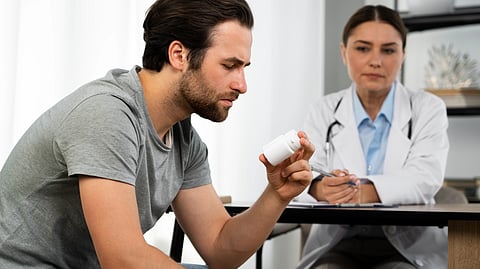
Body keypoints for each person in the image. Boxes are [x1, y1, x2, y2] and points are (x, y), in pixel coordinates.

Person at [0, 0, 315, 268]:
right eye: (230, 65)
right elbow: (123, 259)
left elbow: (220, 248)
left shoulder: (184, 140)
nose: (242, 85)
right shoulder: (108, 115)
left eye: (245, 67)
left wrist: (277, 195)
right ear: (179, 55)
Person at [296, 5, 449, 269]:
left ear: (403, 55)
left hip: (407, 247)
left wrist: (356, 193)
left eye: (388, 50)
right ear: (344, 52)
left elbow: (425, 179)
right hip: (337, 243)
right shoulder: (323, 110)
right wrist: (319, 188)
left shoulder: (427, 108)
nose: (375, 61)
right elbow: (305, 174)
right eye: (363, 48)